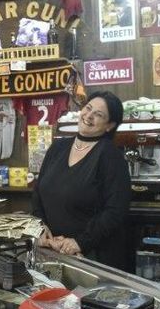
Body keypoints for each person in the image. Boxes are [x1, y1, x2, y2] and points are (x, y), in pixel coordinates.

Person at [32, 91, 131, 270]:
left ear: (109, 126)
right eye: (88, 108)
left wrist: (80, 242)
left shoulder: (111, 156)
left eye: (98, 114)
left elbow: (116, 211)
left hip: (91, 257)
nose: (89, 116)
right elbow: (38, 192)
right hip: (52, 251)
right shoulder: (58, 148)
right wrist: (40, 227)